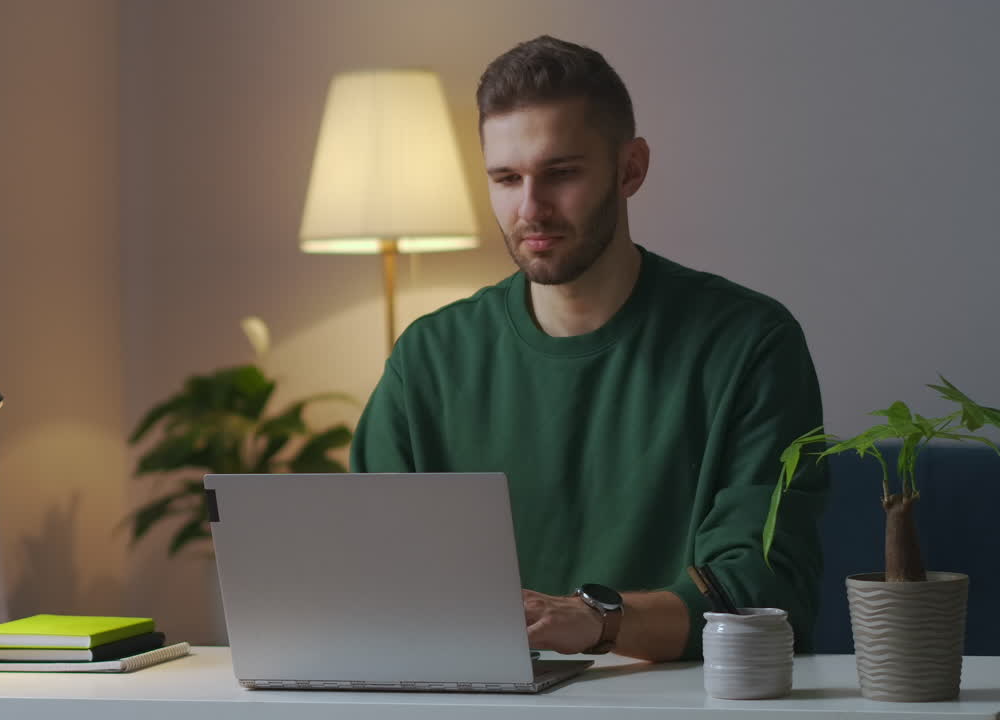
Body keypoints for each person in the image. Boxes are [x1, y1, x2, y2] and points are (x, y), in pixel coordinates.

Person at [350, 36, 828, 662]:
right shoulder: (429, 359)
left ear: (631, 168)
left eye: (561, 173)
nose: (530, 208)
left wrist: (599, 622)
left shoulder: (751, 343)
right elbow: (368, 572)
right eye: (506, 178)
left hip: (688, 701)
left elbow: (767, 589)